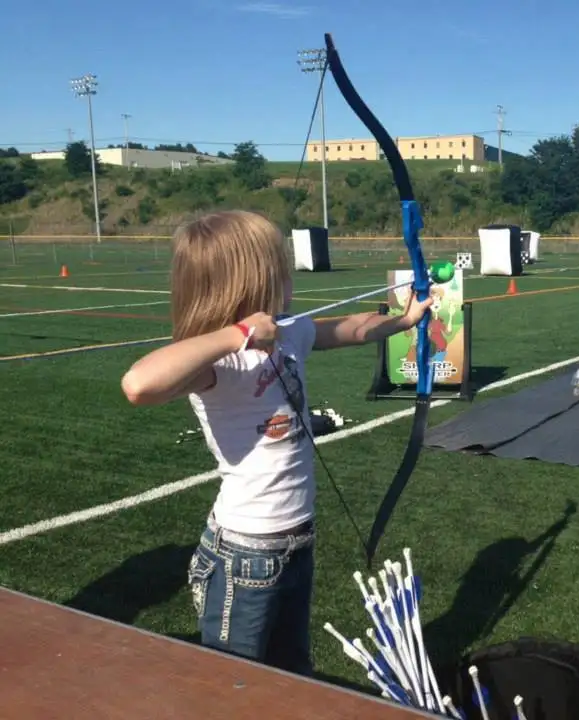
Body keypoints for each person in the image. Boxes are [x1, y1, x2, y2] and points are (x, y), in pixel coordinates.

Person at [120, 210, 432, 676]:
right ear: (248, 283)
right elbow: (139, 384)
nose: (289, 280)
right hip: (243, 553)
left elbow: (349, 329)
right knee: (234, 681)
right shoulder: (219, 362)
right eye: (279, 271)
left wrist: (406, 319)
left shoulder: (290, 331)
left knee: (290, 675)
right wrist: (238, 334)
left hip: (297, 539)